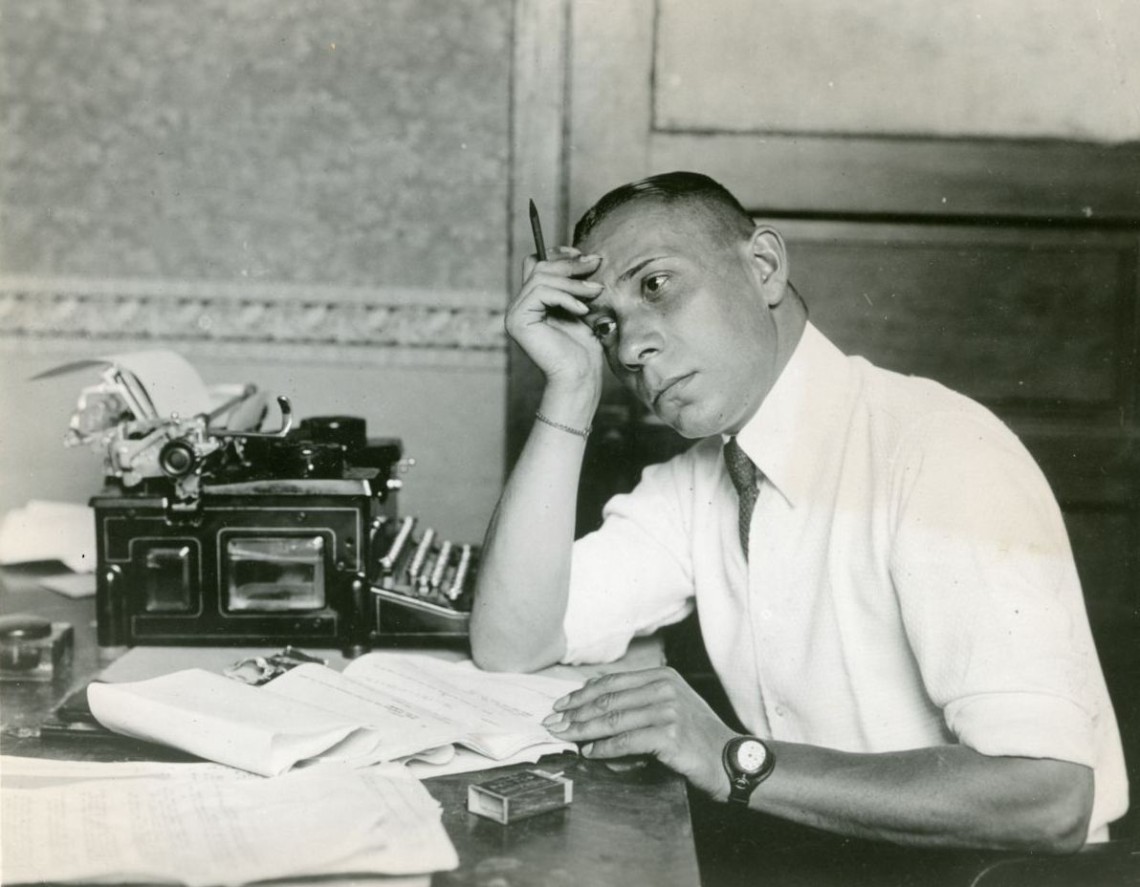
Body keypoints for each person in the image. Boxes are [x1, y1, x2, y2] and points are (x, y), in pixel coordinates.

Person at [469, 171, 1128, 852]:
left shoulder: (938, 450)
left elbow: (1049, 798)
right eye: (606, 326)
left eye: (657, 285)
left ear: (764, 267)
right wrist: (571, 386)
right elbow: (513, 641)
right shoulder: (702, 479)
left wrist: (730, 759)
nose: (631, 348)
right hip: (832, 856)